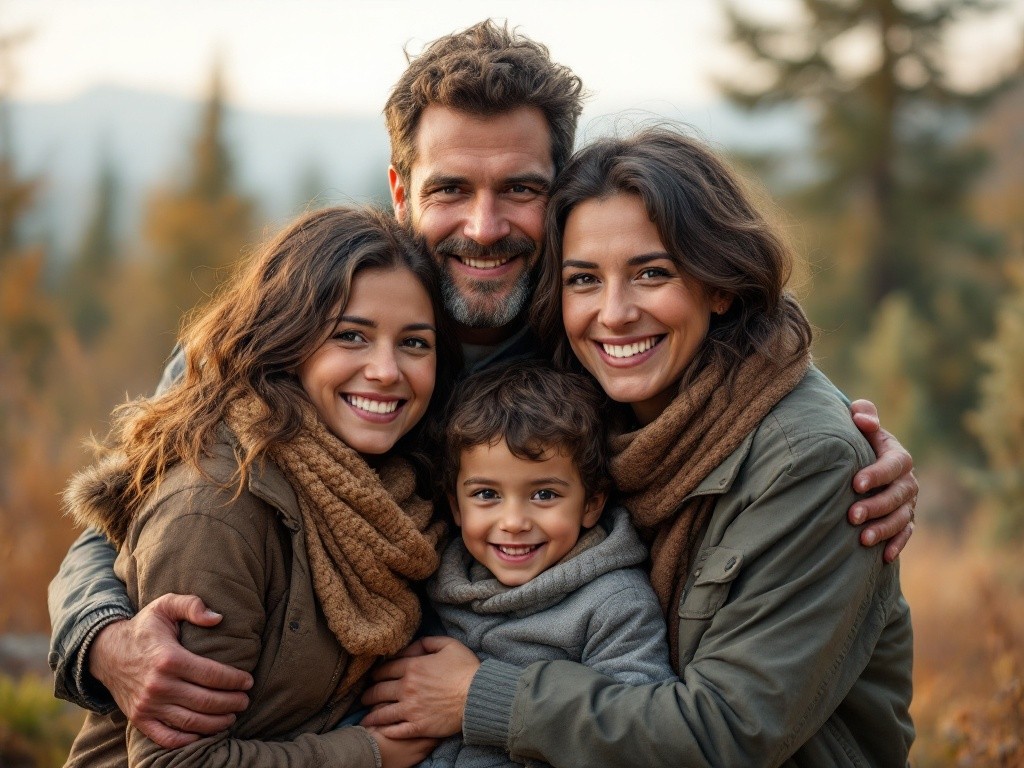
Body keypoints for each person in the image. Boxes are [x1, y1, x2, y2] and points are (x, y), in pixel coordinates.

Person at [48, 20, 917, 750]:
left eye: (521, 190)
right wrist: (100, 635)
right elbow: (140, 501)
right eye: (451, 189)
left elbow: (741, 364)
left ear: (563, 195)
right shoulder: (306, 330)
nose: (485, 225)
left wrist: (849, 436)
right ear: (400, 191)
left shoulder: (585, 342)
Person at [359, 129, 915, 766]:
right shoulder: (585, 406)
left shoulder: (807, 462)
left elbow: (730, 732)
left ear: (720, 283)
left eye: (652, 273)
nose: (615, 313)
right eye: (584, 280)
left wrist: (479, 695)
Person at [61, 205, 459, 767]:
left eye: (415, 343)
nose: (387, 370)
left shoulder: (390, 491)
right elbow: (176, 763)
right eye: (351, 336)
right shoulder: (217, 508)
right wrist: (370, 753)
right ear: (288, 339)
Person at [421, 361, 675, 768]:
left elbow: (635, 737)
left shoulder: (615, 604)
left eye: (543, 495)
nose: (514, 523)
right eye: (486, 494)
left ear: (591, 502)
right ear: (455, 504)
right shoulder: (437, 585)